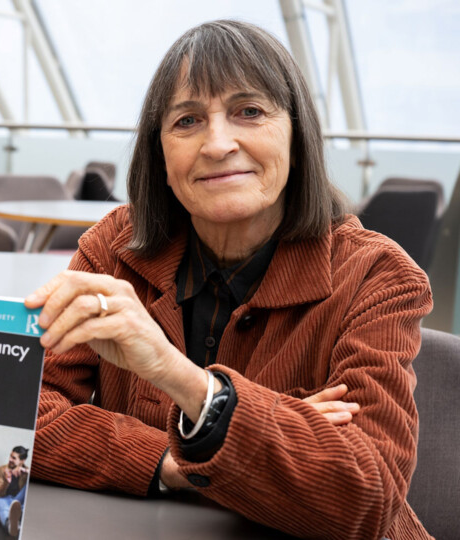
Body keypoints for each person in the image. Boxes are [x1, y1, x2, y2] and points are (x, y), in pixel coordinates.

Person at [25, 20, 432, 540]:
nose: (218, 144)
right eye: (188, 120)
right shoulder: (115, 247)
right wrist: (177, 463)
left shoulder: (377, 276)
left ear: (297, 133)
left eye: (250, 112)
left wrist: (190, 384)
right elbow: (24, 411)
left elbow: (364, 494)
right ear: (161, 156)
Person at [0, 446, 29, 537]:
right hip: (2, 500)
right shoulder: (1, 470)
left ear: (22, 461)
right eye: (10, 456)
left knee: (29, 485)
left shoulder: (26, 471)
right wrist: (6, 483)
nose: (10, 459)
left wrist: (27, 472)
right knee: (0, 503)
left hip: (17, 502)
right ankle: (10, 524)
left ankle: (19, 519)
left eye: (14, 458)